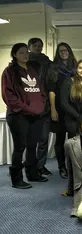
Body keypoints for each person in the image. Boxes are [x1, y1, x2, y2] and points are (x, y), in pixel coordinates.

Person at [2, 43, 48, 189]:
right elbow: (8, 96)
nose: (25, 55)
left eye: (26, 52)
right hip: (18, 115)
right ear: (15, 54)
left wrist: (41, 105)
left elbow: (40, 91)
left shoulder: (32, 70)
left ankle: (32, 173)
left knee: (32, 146)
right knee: (19, 147)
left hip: (36, 115)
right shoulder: (9, 72)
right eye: (21, 53)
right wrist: (27, 109)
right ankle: (16, 178)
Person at [48, 42, 77, 179]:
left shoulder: (75, 67)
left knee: (72, 139)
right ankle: (61, 167)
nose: (63, 52)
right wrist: (53, 109)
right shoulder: (54, 68)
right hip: (59, 108)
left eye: (66, 50)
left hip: (72, 107)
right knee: (59, 140)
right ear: (58, 53)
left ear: (69, 51)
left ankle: (72, 165)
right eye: (60, 51)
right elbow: (51, 91)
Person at [27, 37, 52, 176]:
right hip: (29, 107)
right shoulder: (22, 63)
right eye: (35, 45)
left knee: (43, 139)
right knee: (31, 140)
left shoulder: (46, 61)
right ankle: (30, 166)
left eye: (40, 46)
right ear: (29, 46)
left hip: (45, 106)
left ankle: (41, 166)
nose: (38, 48)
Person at [60, 59, 82, 138]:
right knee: (74, 146)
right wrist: (79, 117)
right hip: (72, 120)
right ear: (76, 69)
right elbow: (63, 103)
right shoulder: (68, 82)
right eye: (80, 68)